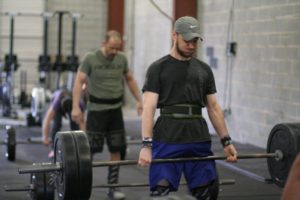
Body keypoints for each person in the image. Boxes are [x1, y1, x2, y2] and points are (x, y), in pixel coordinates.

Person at [138, 16, 238, 200]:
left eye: (195, 41)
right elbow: (149, 108)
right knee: (161, 193)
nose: (191, 46)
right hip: (168, 136)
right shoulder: (158, 68)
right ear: (174, 35)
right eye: (187, 41)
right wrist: (146, 145)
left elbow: (214, 108)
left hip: (197, 137)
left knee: (207, 192)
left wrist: (226, 141)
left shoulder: (204, 70)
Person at [71, 30, 143, 200]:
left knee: (116, 149)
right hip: (96, 110)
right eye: (111, 48)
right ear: (104, 43)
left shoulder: (121, 59)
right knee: (91, 151)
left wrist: (139, 100)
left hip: (115, 110)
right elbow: (79, 81)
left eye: (117, 48)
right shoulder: (91, 58)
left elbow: (130, 79)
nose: (114, 52)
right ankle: (82, 185)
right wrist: (76, 106)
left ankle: (112, 187)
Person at [42, 88, 85, 158]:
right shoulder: (56, 103)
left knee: (75, 126)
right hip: (59, 105)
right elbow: (47, 120)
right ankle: (54, 149)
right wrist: (45, 137)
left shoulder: (79, 103)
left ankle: (75, 148)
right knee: (56, 124)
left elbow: (82, 122)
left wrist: (83, 141)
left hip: (72, 106)